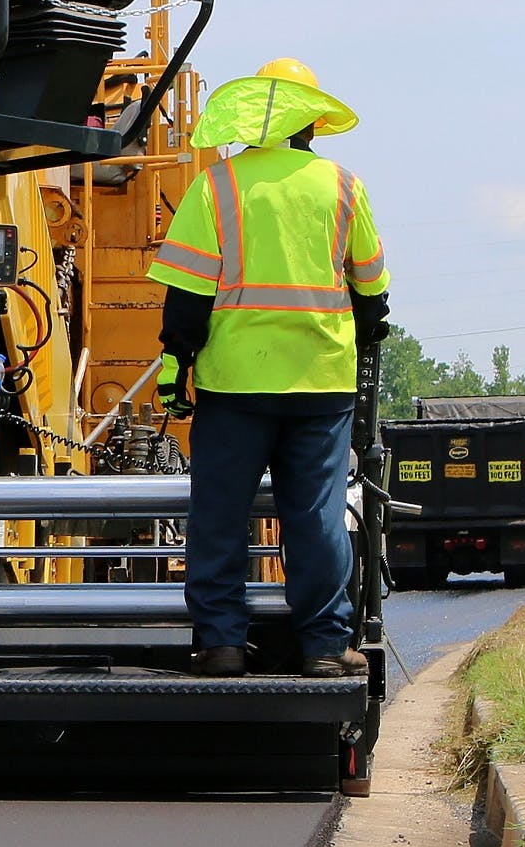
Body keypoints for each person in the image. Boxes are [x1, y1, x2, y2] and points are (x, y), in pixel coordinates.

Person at [147, 59, 391, 678]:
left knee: (220, 514)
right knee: (315, 517)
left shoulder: (218, 185)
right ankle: (324, 647)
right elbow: (373, 293)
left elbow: (187, 299)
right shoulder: (342, 186)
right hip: (320, 384)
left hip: (235, 385)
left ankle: (222, 643)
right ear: (310, 121)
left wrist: (178, 367)